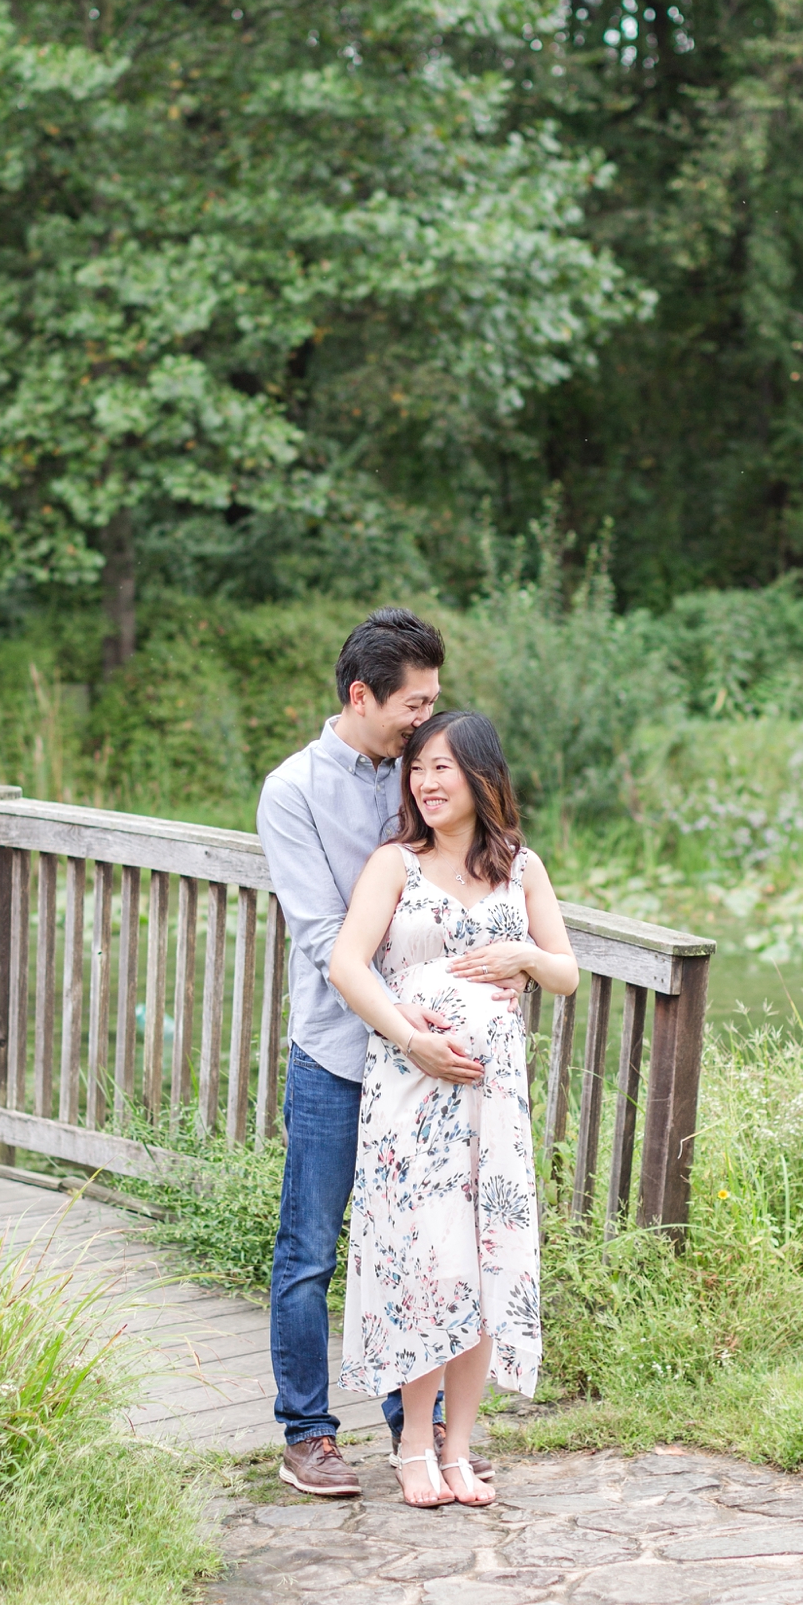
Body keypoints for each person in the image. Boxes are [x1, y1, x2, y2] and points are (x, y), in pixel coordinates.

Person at [257, 607, 496, 1500]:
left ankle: (415, 1426)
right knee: (311, 1246)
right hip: (339, 1049)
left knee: (423, 1241)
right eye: (415, 702)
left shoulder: (424, 771)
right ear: (363, 695)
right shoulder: (293, 791)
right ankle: (309, 1432)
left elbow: (470, 870)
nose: (426, 717)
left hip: (425, 1055)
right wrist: (408, 1031)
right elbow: (327, 937)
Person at [328, 709, 578, 1509]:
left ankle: (461, 1451)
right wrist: (409, 1036)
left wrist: (525, 958)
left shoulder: (522, 868)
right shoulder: (394, 865)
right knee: (428, 1265)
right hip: (412, 1099)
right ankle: (411, 1448)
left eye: (442, 768)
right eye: (417, 768)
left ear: (480, 776)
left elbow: (566, 971)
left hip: (493, 1107)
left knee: (483, 1265)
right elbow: (346, 966)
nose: (425, 783)